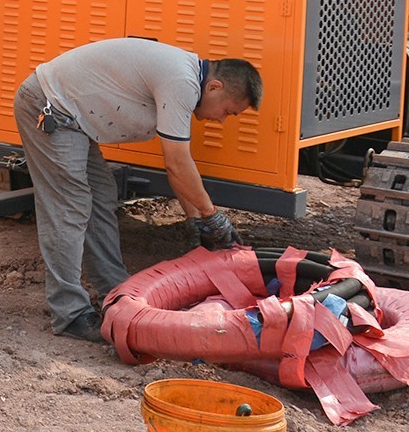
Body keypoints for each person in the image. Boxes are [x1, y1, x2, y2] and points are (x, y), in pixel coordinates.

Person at [13, 37, 263, 343]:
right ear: (214, 87)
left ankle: (115, 292)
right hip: (50, 107)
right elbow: (177, 163)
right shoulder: (182, 81)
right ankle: (70, 314)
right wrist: (212, 216)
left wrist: (195, 219)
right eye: (228, 111)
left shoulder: (185, 77)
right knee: (70, 206)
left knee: (102, 196)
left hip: (72, 118)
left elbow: (177, 171)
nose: (222, 119)